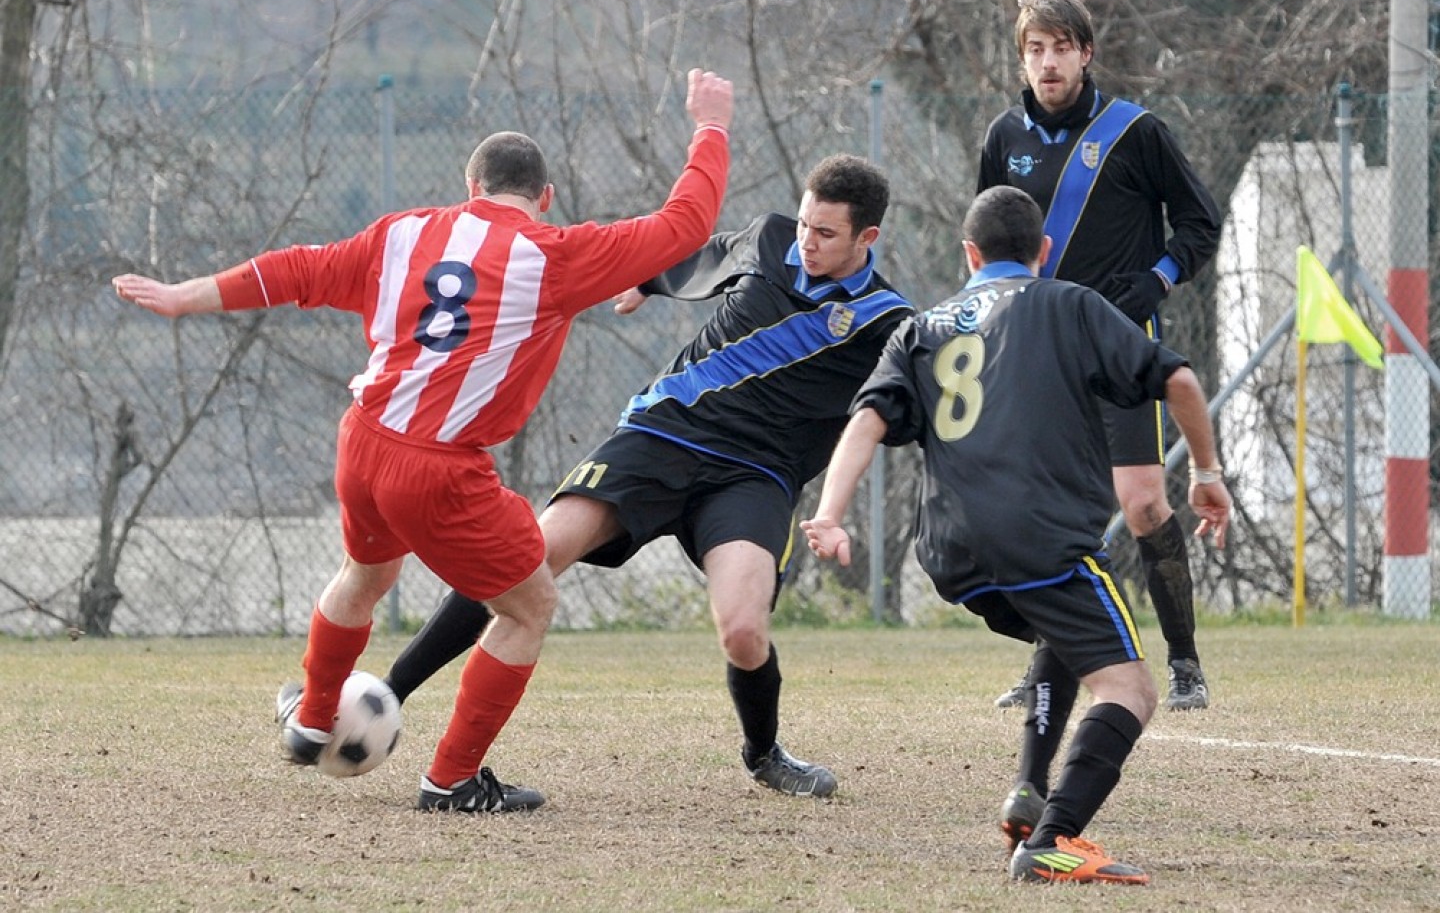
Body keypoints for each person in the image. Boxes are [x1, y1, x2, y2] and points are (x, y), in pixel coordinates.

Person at [111, 68, 735, 814]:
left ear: (468, 184)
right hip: (438, 469)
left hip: (363, 443)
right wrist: (711, 126)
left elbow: (300, 270)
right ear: (546, 197)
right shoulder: (553, 253)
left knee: (363, 577)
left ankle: (313, 720)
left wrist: (188, 296)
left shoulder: (402, 234)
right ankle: (451, 778)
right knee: (529, 606)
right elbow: (684, 226)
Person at [381, 153, 914, 798]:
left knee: (744, 631)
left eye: (826, 233)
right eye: (805, 223)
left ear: (868, 239)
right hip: (662, 435)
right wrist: (650, 280)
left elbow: (894, 412)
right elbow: (707, 254)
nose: (807, 240)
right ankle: (386, 696)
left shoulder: (888, 323)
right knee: (526, 560)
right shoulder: (770, 238)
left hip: (754, 474)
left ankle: (764, 753)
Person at [801, 185, 1231, 884]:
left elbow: (869, 420)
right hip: (1040, 540)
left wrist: (829, 512)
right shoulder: (1070, 303)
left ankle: (1030, 791)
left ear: (968, 253)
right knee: (1130, 690)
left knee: (1065, 634)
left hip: (951, 552)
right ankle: (1054, 841)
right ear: (1046, 251)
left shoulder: (923, 326)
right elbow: (1178, 379)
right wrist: (1206, 472)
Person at [977, 0, 1222, 712]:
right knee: (1049, 511)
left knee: (1144, 503)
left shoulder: (1135, 132)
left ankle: (1184, 662)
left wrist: (1159, 277)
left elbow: (1199, 224)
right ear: (1023, 59)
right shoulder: (1003, 138)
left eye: (1060, 47)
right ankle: (1049, 668)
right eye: (1035, 49)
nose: (1047, 62)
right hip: (1036, 349)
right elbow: (993, 248)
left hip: (1118, 343)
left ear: (1086, 53)